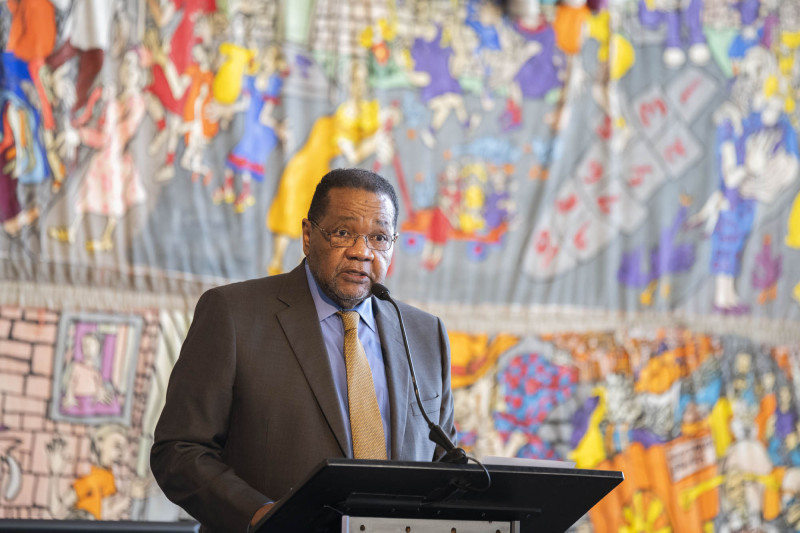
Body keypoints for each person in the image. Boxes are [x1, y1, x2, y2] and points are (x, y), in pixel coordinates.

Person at [150, 168, 456, 533]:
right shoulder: (234, 314)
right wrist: (261, 516)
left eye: (378, 237)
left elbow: (445, 462)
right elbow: (180, 450)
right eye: (343, 233)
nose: (362, 252)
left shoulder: (424, 333)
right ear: (308, 235)